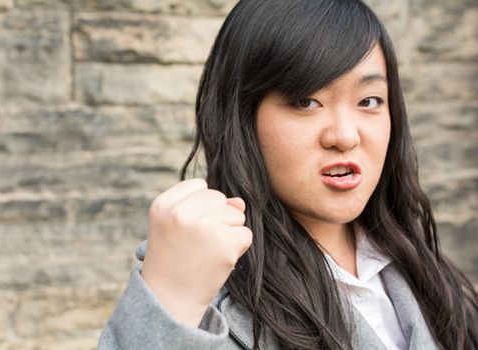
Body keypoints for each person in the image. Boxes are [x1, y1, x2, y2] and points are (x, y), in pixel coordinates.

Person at [98, 0, 478, 349]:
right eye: (305, 101)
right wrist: (172, 299)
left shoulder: (423, 269)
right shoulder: (194, 287)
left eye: (369, 101)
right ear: (242, 115)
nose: (345, 135)